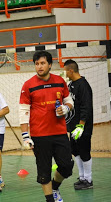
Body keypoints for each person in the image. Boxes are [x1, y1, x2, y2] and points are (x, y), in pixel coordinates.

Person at [19, 51, 74, 202]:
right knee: (43, 171)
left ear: (50, 64)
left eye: (42, 63)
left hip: (59, 133)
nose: (39, 66)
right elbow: (23, 110)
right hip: (39, 135)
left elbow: (69, 100)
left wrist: (66, 108)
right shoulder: (28, 85)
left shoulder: (60, 81)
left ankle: (55, 187)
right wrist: (25, 136)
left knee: (67, 166)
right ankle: (50, 199)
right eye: (37, 64)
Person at [64, 59, 93, 190]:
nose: (65, 73)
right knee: (75, 151)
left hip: (82, 127)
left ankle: (88, 179)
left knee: (84, 151)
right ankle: (82, 177)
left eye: (65, 70)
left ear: (71, 70)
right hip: (72, 126)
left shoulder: (84, 85)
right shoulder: (70, 85)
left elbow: (86, 107)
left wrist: (81, 125)